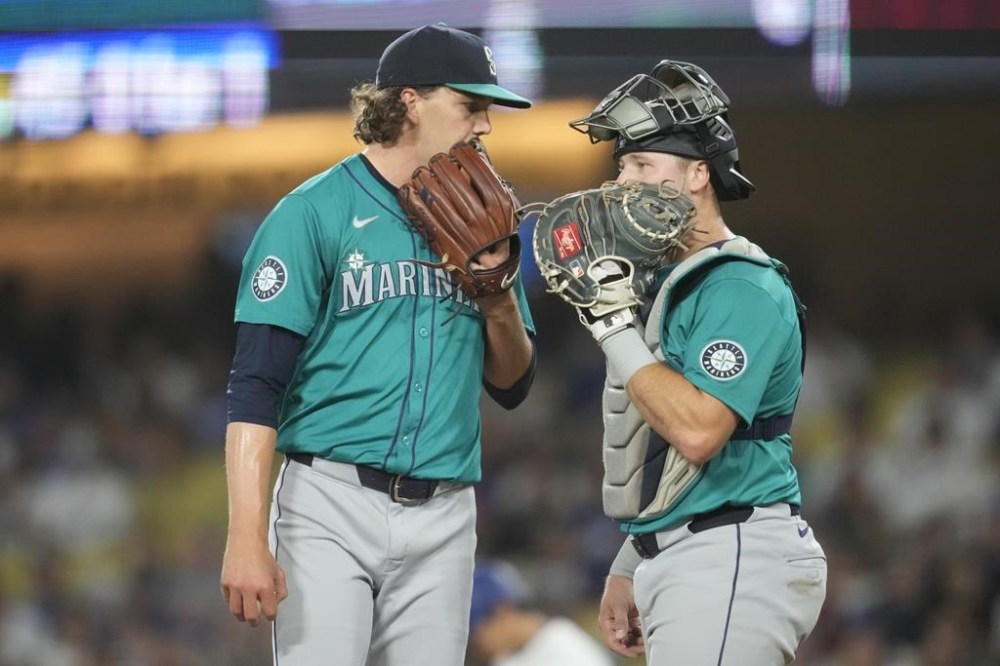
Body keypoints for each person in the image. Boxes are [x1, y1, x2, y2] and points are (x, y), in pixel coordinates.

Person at [218, 24, 537, 665]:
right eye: (471, 105)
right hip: (330, 503)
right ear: (411, 102)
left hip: (445, 511)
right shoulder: (313, 212)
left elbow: (513, 385)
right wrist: (246, 536)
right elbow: (255, 384)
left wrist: (499, 297)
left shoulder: (484, 212)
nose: (485, 125)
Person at [566, 60, 828, 664]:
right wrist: (635, 557)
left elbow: (698, 431)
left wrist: (611, 327)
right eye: (622, 166)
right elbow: (663, 457)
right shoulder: (673, 282)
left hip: (733, 551)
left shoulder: (739, 286)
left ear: (697, 175)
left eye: (641, 164)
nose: (623, 183)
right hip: (696, 550)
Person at [468, 560, 614, 666]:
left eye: (478, 632)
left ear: (502, 611)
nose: (478, 645)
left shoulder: (565, 646)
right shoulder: (504, 659)